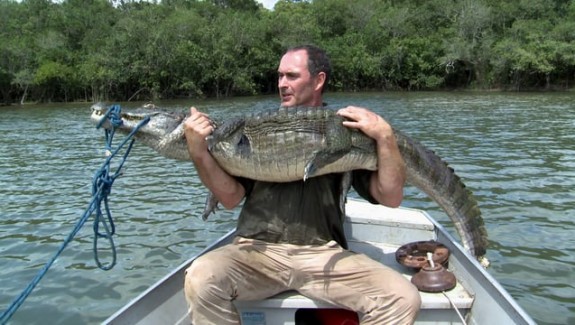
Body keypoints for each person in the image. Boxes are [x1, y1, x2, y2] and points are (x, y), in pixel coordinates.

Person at [183, 45, 421, 324]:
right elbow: (230, 197)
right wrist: (198, 152)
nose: (282, 84)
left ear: (319, 80)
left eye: (292, 76)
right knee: (200, 277)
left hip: (322, 255)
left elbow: (390, 197)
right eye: (280, 76)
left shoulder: (345, 128)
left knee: (403, 297)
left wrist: (385, 137)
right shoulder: (257, 129)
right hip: (256, 252)